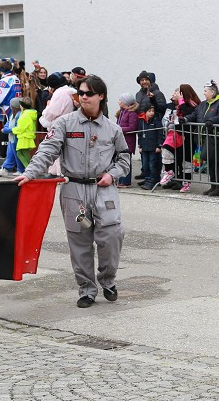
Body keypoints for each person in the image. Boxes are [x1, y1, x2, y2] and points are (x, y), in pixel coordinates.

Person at [14, 75, 131, 308]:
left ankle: (108, 280)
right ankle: (86, 289)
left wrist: (113, 174)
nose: (83, 97)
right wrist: (30, 173)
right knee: (79, 242)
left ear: (101, 96)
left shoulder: (112, 129)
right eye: (80, 93)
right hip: (74, 189)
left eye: (88, 93)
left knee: (112, 236)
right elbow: (47, 151)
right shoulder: (65, 123)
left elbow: (124, 159)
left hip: (103, 189)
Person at [195, 81, 219, 196]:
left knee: (216, 161)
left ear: (212, 92)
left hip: (217, 136)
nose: (204, 93)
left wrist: (212, 121)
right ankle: (213, 185)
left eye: (205, 91)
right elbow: (196, 114)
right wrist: (185, 118)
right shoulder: (204, 104)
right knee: (210, 161)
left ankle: (218, 186)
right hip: (206, 136)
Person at [115, 94, 139, 187]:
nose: (119, 102)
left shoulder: (132, 113)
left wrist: (119, 129)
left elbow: (132, 127)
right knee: (120, 160)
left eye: (120, 100)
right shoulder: (121, 112)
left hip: (128, 141)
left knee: (126, 161)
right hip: (121, 140)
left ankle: (126, 181)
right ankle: (120, 180)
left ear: (125, 102)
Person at [9, 98, 37, 170]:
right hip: (25, 136)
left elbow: (21, 128)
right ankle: (29, 169)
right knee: (21, 153)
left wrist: (12, 130)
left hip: (24, 136)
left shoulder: (25, 115)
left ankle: (29, 169)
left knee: (23, 153)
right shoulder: (28, 114)